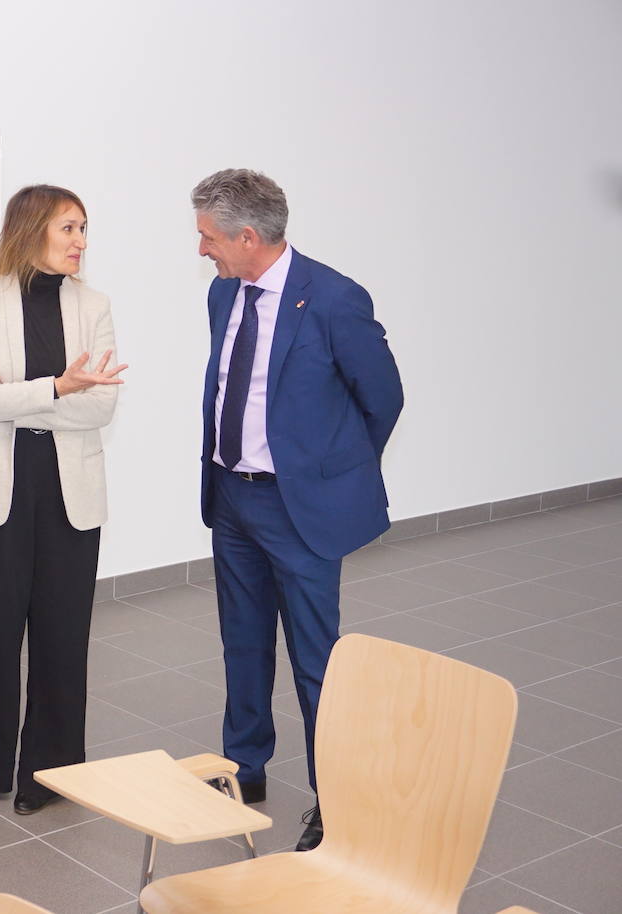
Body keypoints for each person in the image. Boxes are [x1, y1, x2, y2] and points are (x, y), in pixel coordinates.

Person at [192, 169, 403, 851]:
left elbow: (383, 397)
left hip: (298, 509)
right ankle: (242, 768)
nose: (202, 251)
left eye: (208, 238)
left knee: (317, 660)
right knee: (243, 642)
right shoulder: (225, 294)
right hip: (233, 497)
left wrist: (324, 474)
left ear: (247, 236)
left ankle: (333, 798)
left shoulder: (335, 299)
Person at [0, 184, 125, 814]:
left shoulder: (94, 305)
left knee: (61, 635)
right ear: (32, 231)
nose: (81, 241)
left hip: (68, 491)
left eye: (84, 229)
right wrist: (58, 387)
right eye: (69, 228)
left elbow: (102, 404)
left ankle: (50, 773)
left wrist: (18, 395)